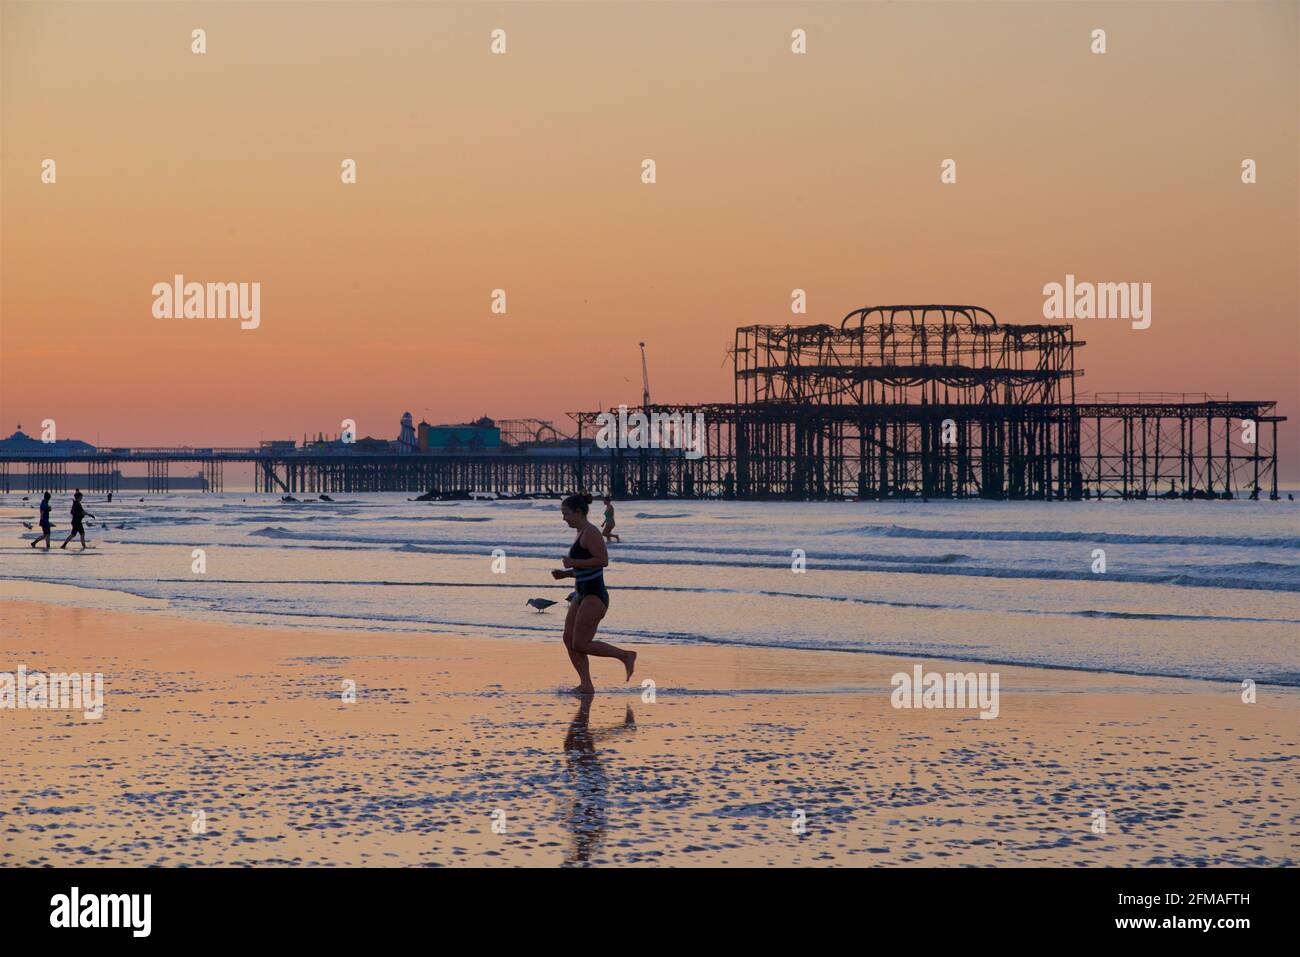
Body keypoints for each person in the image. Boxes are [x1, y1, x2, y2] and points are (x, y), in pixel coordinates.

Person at [553, 492, 635, 695]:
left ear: (579, 512)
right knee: (568, 638)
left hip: (595, 596)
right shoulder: (580, 532)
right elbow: (587, 568)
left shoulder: (591, 532)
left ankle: (625, 656)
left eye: (566, 514)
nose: (564, 518)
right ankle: (586, 684)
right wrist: (566, 574)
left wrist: (573, 563)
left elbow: (602, 561)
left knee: (580, 643)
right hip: (581, 593)